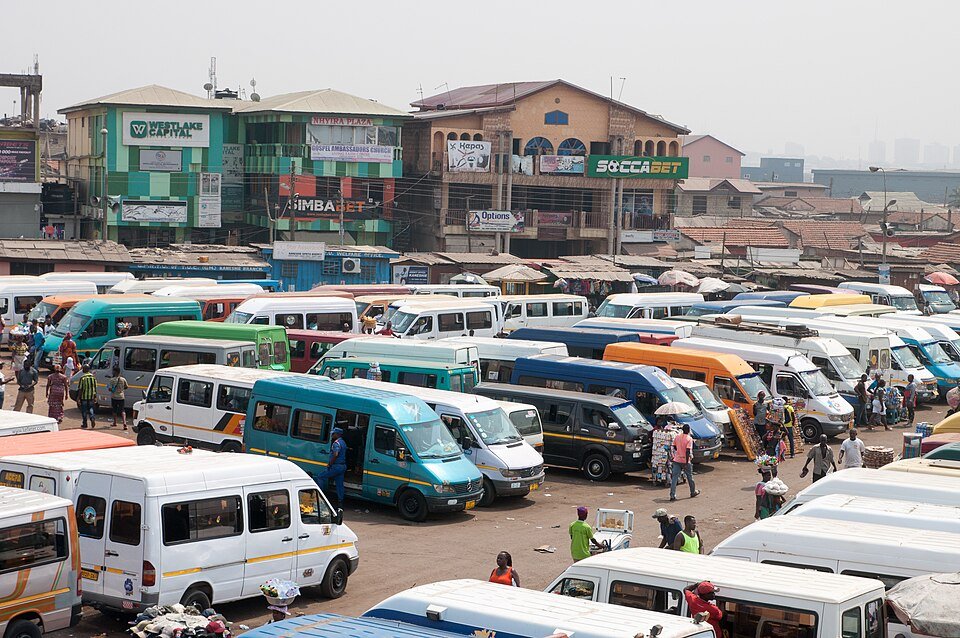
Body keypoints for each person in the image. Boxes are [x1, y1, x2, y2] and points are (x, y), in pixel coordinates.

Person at [315, 427, 347, 508]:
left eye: (333, 434)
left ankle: (320, 497)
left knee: (320, 477)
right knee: (339, 485)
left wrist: (330, 464)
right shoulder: (343, 442)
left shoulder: (336, 443)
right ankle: (340, 503)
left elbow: (335, 454)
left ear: (337, 434)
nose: (332, 435)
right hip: (342, 466)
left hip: (336, 466)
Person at [669, 423, 700, 502]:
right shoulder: (689, 439)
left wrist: (679, 451)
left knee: (674, 478)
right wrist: (686, 463)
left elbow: (674, 446)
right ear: (689, 430)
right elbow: (687, 451)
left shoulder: (677, 436)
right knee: (690, 477)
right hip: (685, 460)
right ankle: (692, 492)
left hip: (677, 459)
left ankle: (672, 495)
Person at [76, 364, 98, 429]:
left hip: (84, 396)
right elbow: (95, 387)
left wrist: (78, 397)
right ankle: (92, 418)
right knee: (91, 408)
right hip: (91, 396)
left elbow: (80, 388)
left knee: (84, 410)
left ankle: (85, 423)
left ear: (85, 369)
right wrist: (95, 396)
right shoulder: (93, 377)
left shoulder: (82, 378)